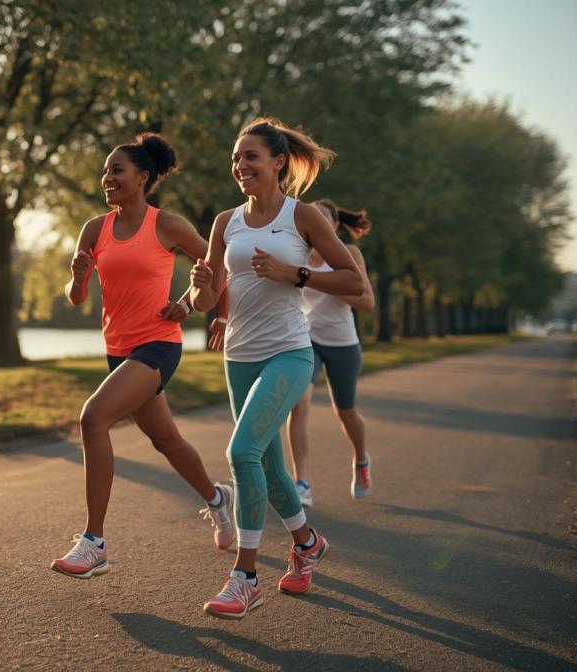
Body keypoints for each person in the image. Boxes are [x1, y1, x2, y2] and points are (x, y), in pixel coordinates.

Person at [189, 117, 364, 618]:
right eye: (236, 159)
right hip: (238, 354)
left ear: (278, 161)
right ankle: (307, 543)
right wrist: (203, 284)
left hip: (290, 350)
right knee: (266, 463)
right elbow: (206, 301)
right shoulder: (226, 222)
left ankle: (245, 578)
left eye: (251, 157)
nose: (240, 166)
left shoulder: (303, 216)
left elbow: (353, 282)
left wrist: (296, 273)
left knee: (241, 452)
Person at [50, 133, 235, 580]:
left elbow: (216, 267)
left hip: (159, 342)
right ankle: (217, 498)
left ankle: (94, 543)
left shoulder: (166, 225)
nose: (107, 177)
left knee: (93, 418)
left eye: (117, 170)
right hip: (118, 348)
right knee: (165, 439)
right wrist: (76, 280)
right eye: (106, 170)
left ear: (143, 178)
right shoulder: (95, 228)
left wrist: (199, 307)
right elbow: (76, 297)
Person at [286, 200, 375, 507]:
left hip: (343, 343)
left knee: (345, 412)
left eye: (323, 219)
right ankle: (302, 483)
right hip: (307, 340)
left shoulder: (349, 254)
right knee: (299, 405)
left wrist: (323, 282)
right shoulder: (299, 255)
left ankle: (361, 460)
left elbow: (367, 302)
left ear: (334, 226)